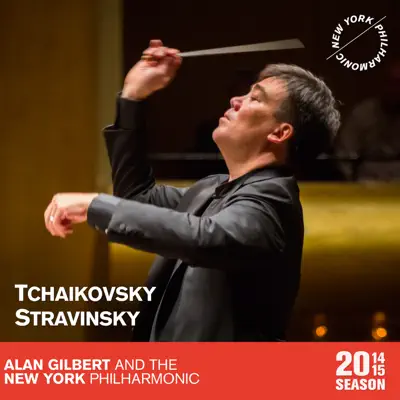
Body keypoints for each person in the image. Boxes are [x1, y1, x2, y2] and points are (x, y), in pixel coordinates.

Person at [44, 39, 340, 341]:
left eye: (255, 98)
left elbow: (205, 237)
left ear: (280, 132)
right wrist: (133, 97)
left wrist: (96, 205)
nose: (236, 100)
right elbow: (136, 197)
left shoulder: (273, 202)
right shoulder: (212, 188)